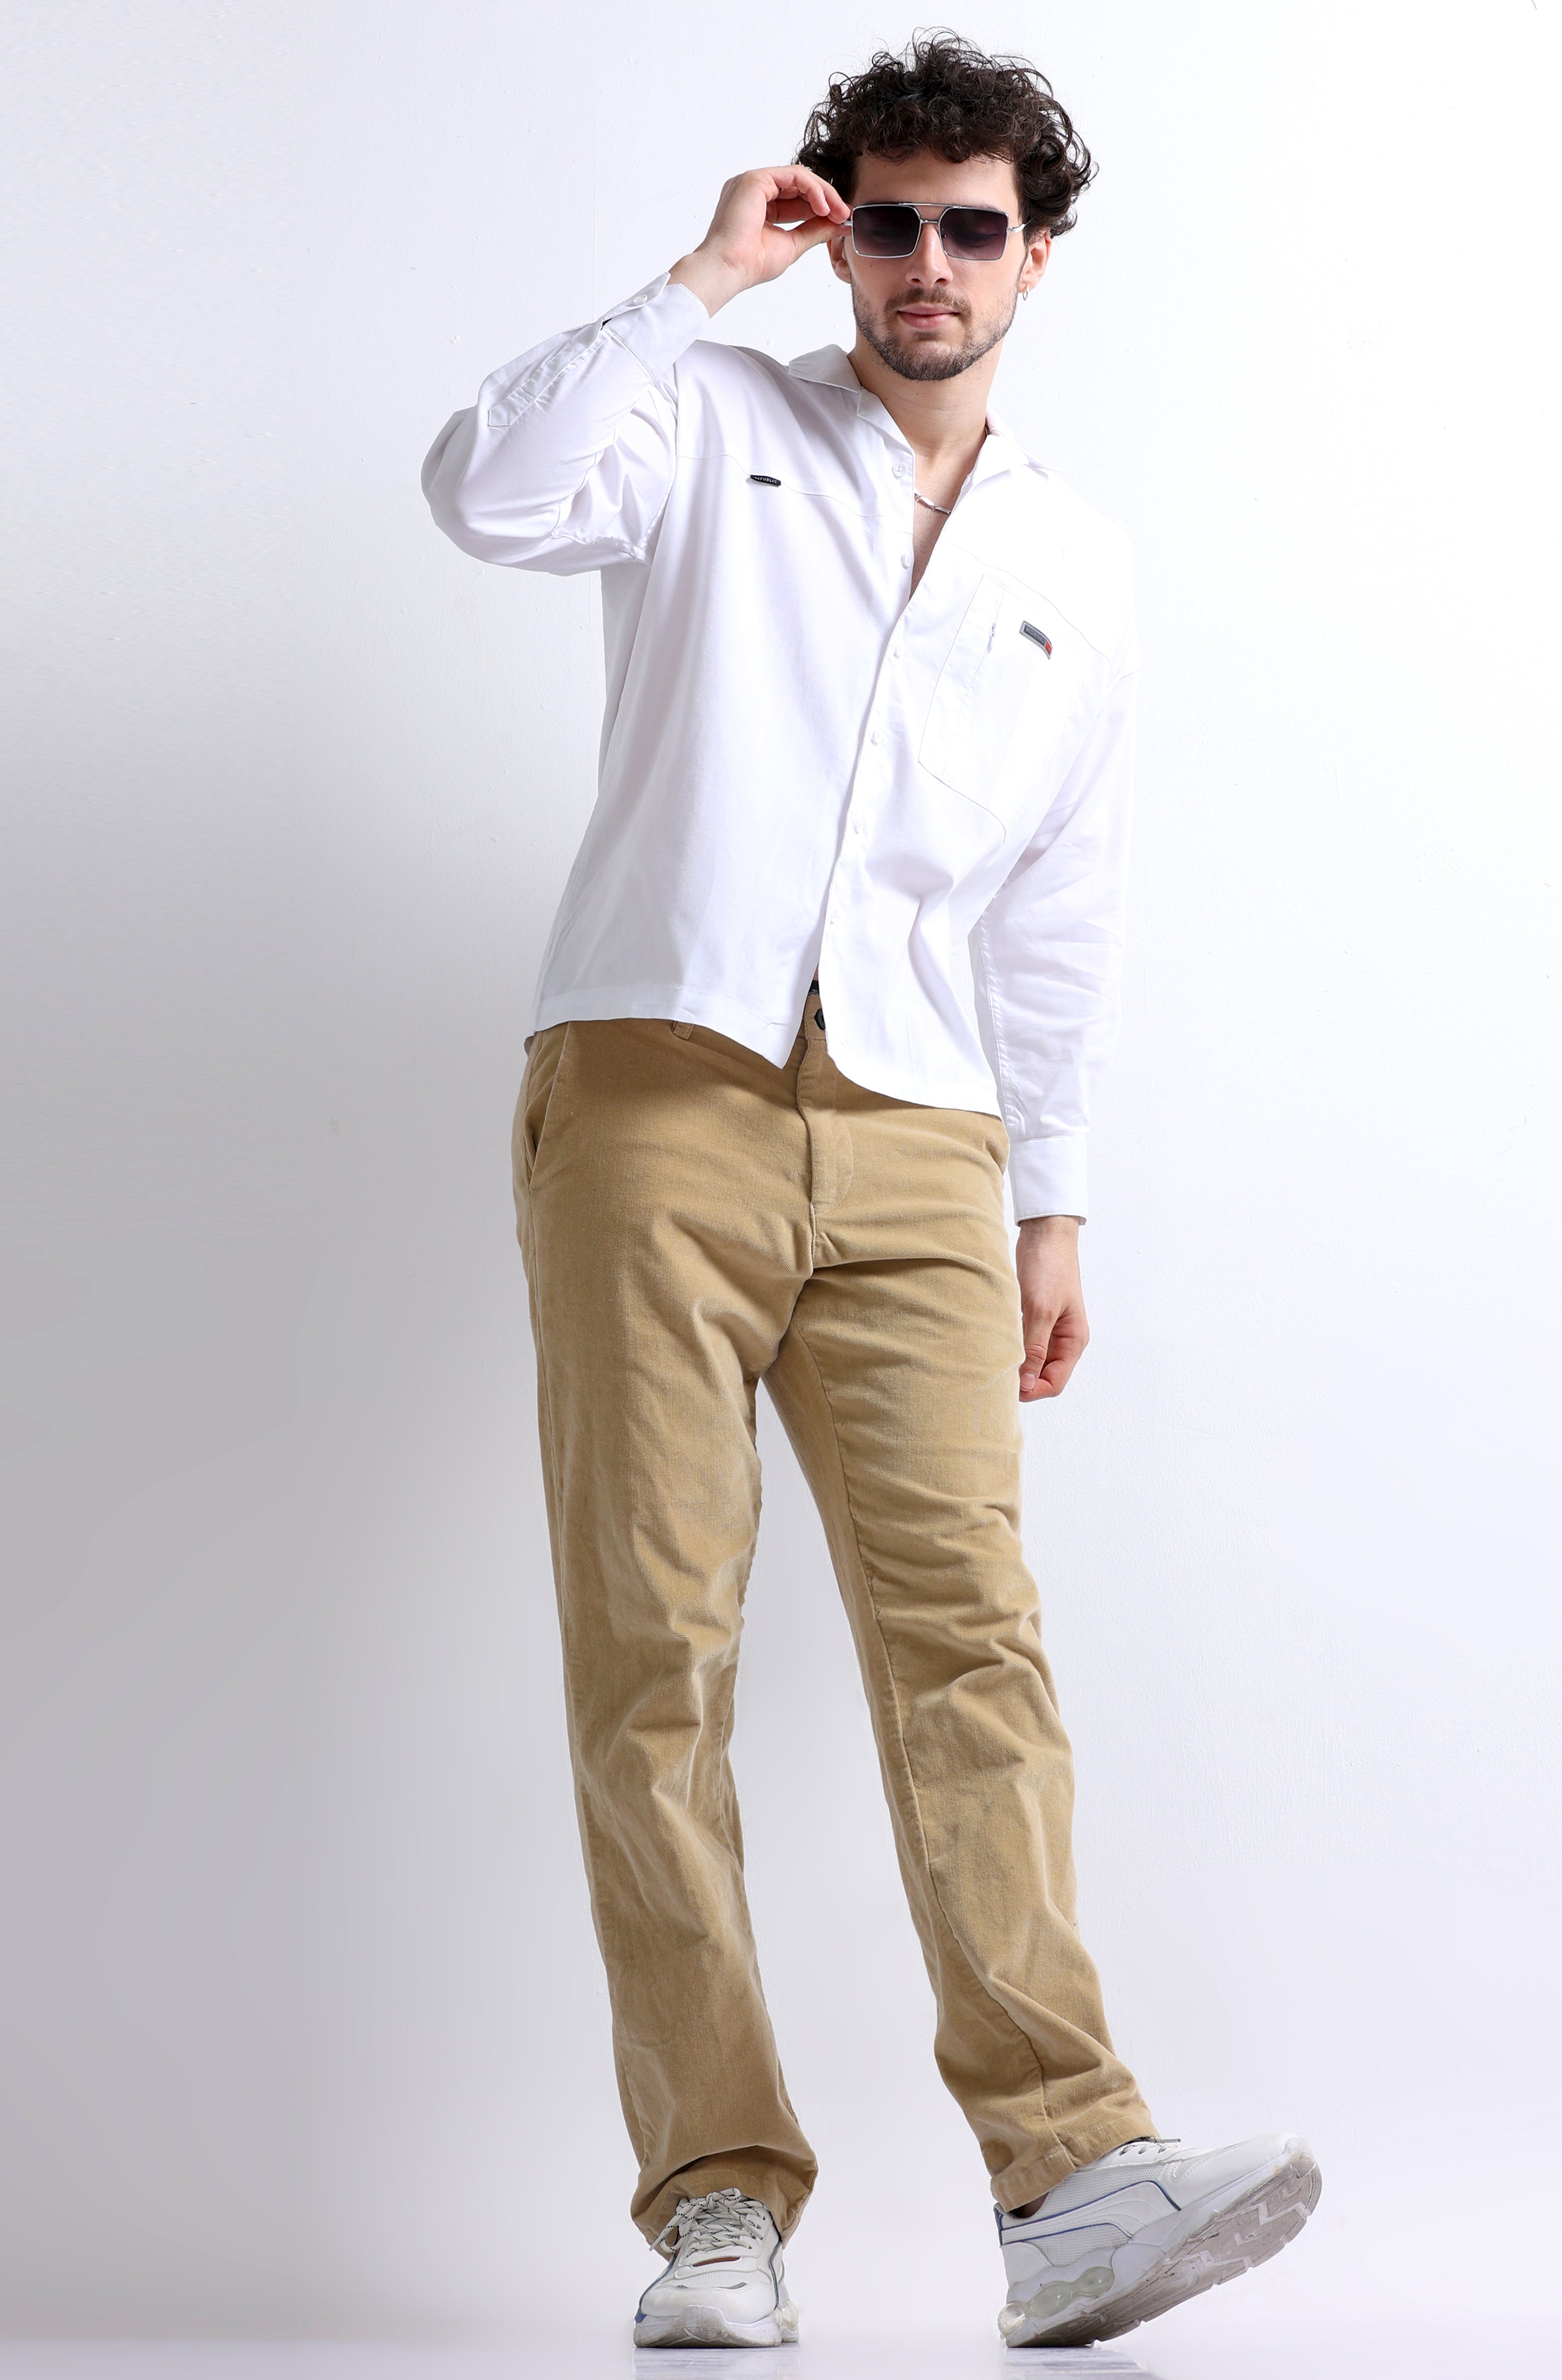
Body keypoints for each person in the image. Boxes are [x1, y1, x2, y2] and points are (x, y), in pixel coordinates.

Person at [421, 32, 1318, 2353]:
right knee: (655, 1659)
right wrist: (697, 280)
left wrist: (1057, 1195)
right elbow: (483, 492)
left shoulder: (1074, 560)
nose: (930, 265)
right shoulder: (705, 422)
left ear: (1038, 255)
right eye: (890, 222)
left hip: (927, 1136)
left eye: (972, 228)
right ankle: (715, 2203)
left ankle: (1071, 2177)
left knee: (972, 1644)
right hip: (657, 1090)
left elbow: (1062, 898)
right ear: (842, 234)